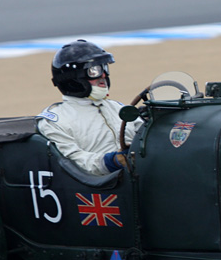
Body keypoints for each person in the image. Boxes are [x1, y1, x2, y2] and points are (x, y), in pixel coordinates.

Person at [37, 40, 143, 176]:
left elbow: (145, 140)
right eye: (94, 71)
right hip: (102, 187)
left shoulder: (117, 107)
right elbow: (75, 162)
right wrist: (113, 161)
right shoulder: (54, 121)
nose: (104, 75)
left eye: (104, 68)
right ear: (73, 80)